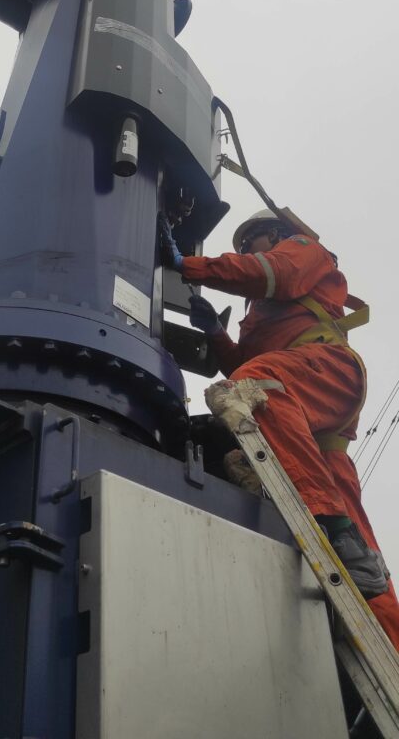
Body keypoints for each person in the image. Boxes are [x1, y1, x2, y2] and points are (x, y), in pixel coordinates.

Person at [160, 209, 399, 651]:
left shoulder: (305, 252)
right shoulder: (262, 316)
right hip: (317, 439)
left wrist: (188, 265)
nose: (245, 253)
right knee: (366, 568)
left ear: (274, 234)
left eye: (249, 244)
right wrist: (216, 332)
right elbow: (244, 368)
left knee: (257, 390)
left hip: (330, 371)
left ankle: (330, 524)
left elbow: (275, 274)